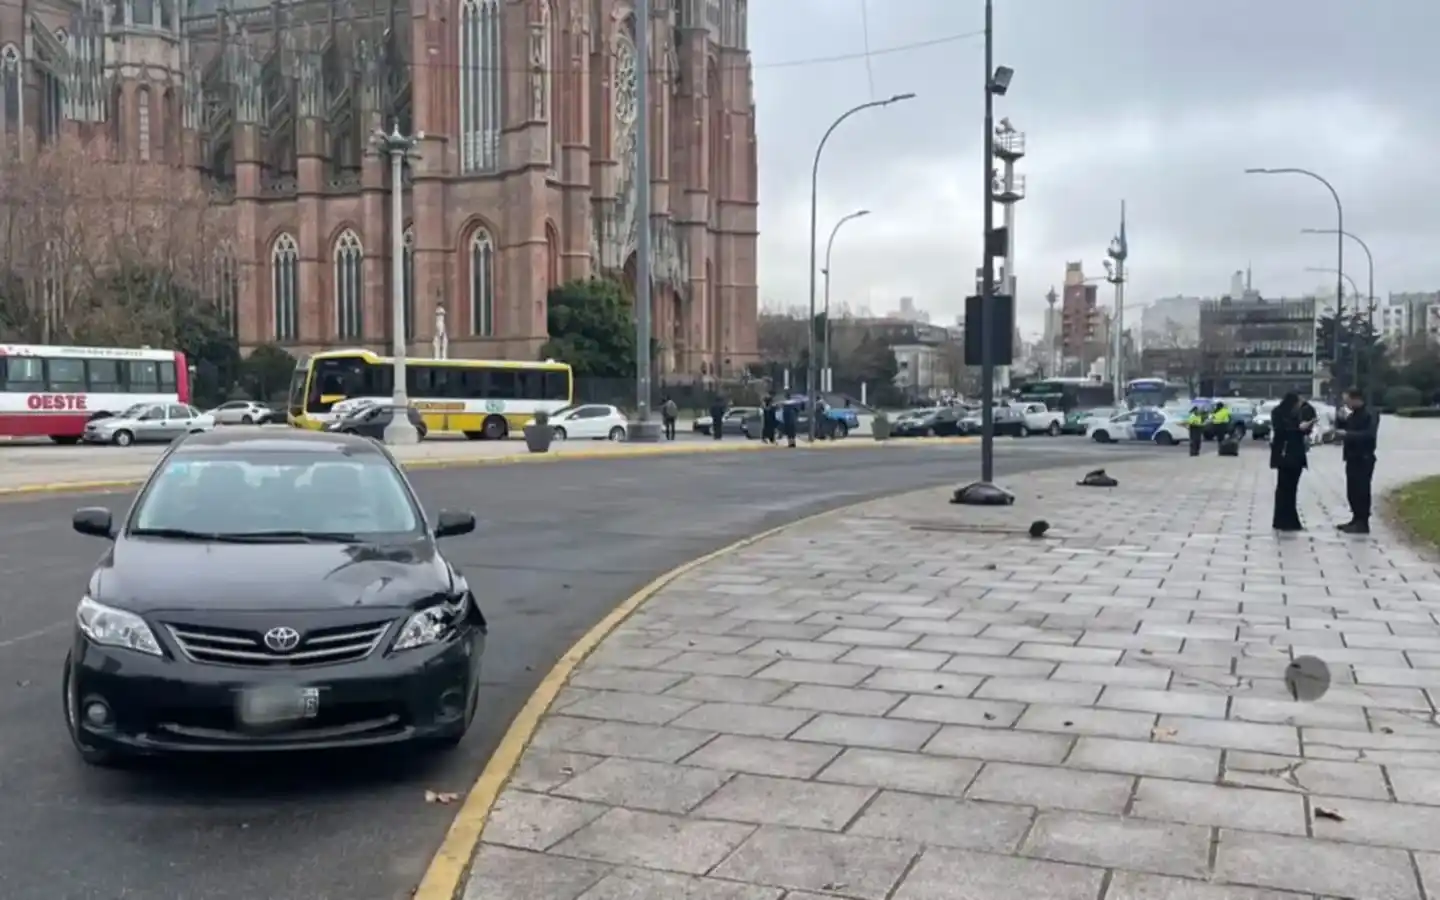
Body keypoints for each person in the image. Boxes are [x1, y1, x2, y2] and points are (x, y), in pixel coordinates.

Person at [1269, 392, 1314, 532]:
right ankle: (1283, 519)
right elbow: (1282, 431)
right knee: (1284, 488)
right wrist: (1299, 428)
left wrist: (1307, 427)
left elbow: (1307, 421)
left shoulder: (1298, 413)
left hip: (1295, 453)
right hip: (1285, 453)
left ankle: (1288, 519)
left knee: (1291, 488)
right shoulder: (1278, 413)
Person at [1336, 387, 1379, 534]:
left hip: (1364, 457)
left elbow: (1369, 435)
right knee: (1352, 491)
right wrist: (1340, 420)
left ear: (1356, 399)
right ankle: (1355, 518)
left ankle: (1363, 522)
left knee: (1362, 490)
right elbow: (1345, 428)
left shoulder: (1369, 414)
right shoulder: (1353, 415)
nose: (1346, 405)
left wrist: (1347, 434)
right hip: (1352, 457)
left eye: (1348, 401)